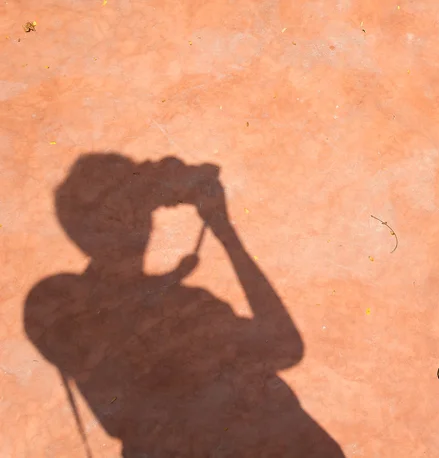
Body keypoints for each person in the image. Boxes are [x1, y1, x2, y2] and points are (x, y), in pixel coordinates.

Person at [24, 153, 344, 457]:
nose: (131, 214)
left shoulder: (190, 303)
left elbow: (285, 346)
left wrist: (224, 230)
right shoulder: (60, 304)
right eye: (117, 202)